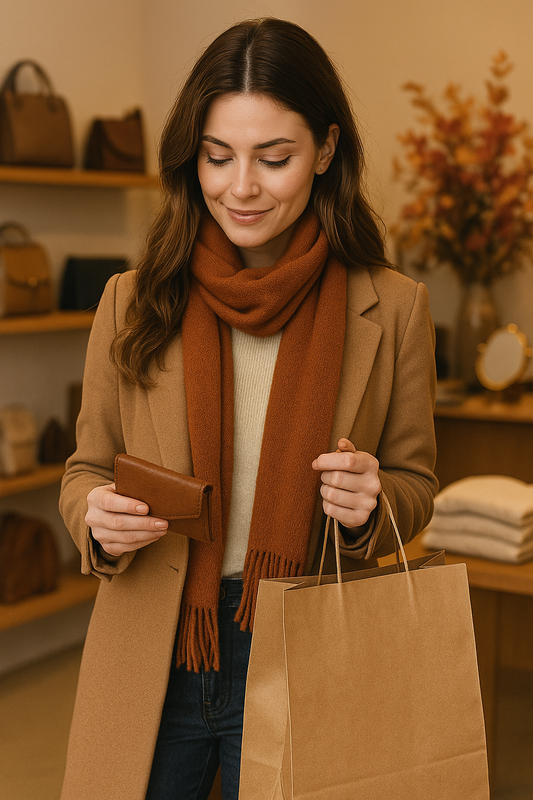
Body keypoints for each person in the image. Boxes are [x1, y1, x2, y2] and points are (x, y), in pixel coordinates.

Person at [59, 17, 438, 800]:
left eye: (275, 158)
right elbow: (84, 468)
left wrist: (373, 503)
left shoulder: (394, 308)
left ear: (326, 152)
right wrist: (92, 512)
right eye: (216, 156)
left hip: (302, 647)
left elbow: (413, 481)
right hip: (154, 641)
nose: (241, 187)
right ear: (190, 154)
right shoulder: (129, 302)